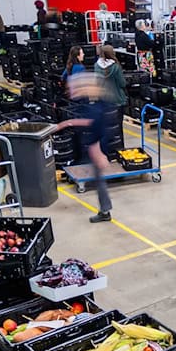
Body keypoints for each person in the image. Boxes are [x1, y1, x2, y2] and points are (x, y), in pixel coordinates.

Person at [53, 73, 114, 223]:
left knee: (99, 179)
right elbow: (89, 121)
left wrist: (98, 150)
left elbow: (97, 125)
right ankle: (105, 210)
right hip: (95, 144)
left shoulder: (98, 106)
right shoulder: (94, 103)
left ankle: (105, 211)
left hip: (97, 145)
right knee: (98, 179)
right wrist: (68, 123)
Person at [96, 44, 126, 142]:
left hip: (103, 100)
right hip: (116, 100)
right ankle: (119, 146)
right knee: (118, 126)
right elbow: (122, 83)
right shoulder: (116, 67)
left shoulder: (96, 66)